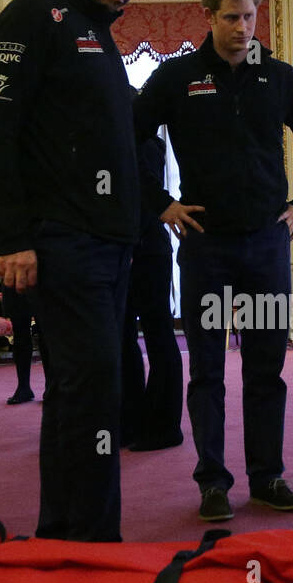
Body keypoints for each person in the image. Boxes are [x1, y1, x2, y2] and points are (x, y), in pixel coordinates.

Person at [0, 0, 161, 543]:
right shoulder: (32, 15)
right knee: (96, 388)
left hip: (111, 247)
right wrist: (13, 238)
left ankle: (63, 535)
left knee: (80, 390)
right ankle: (92, 543)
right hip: (63, 242)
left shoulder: (99, 34)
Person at [135, 0, 293, 523]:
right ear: (209, 16)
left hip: (265, 249)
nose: (242, 28)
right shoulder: (176, 78)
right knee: (206, 370)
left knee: (265, 368)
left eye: (250, 16)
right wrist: (160, 204)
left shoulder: (276, 77)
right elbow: (129, 136)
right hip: (206, 250)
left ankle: (267, 476)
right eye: (231, 18)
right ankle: (212, 483)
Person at [121, 132, 184, 451]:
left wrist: (129, 242)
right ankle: (134, 421)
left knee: (157, 337)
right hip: (138, 248)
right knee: (127, 338)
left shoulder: (142, 142)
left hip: (143, 250)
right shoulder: (147, 141)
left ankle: (163, 426)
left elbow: (145, 199)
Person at [0, 286, 47, 405]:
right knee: (20, 334)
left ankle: (51, 386)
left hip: (43, 278)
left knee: (46, 333)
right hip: (15, 278)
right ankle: (23, 387)